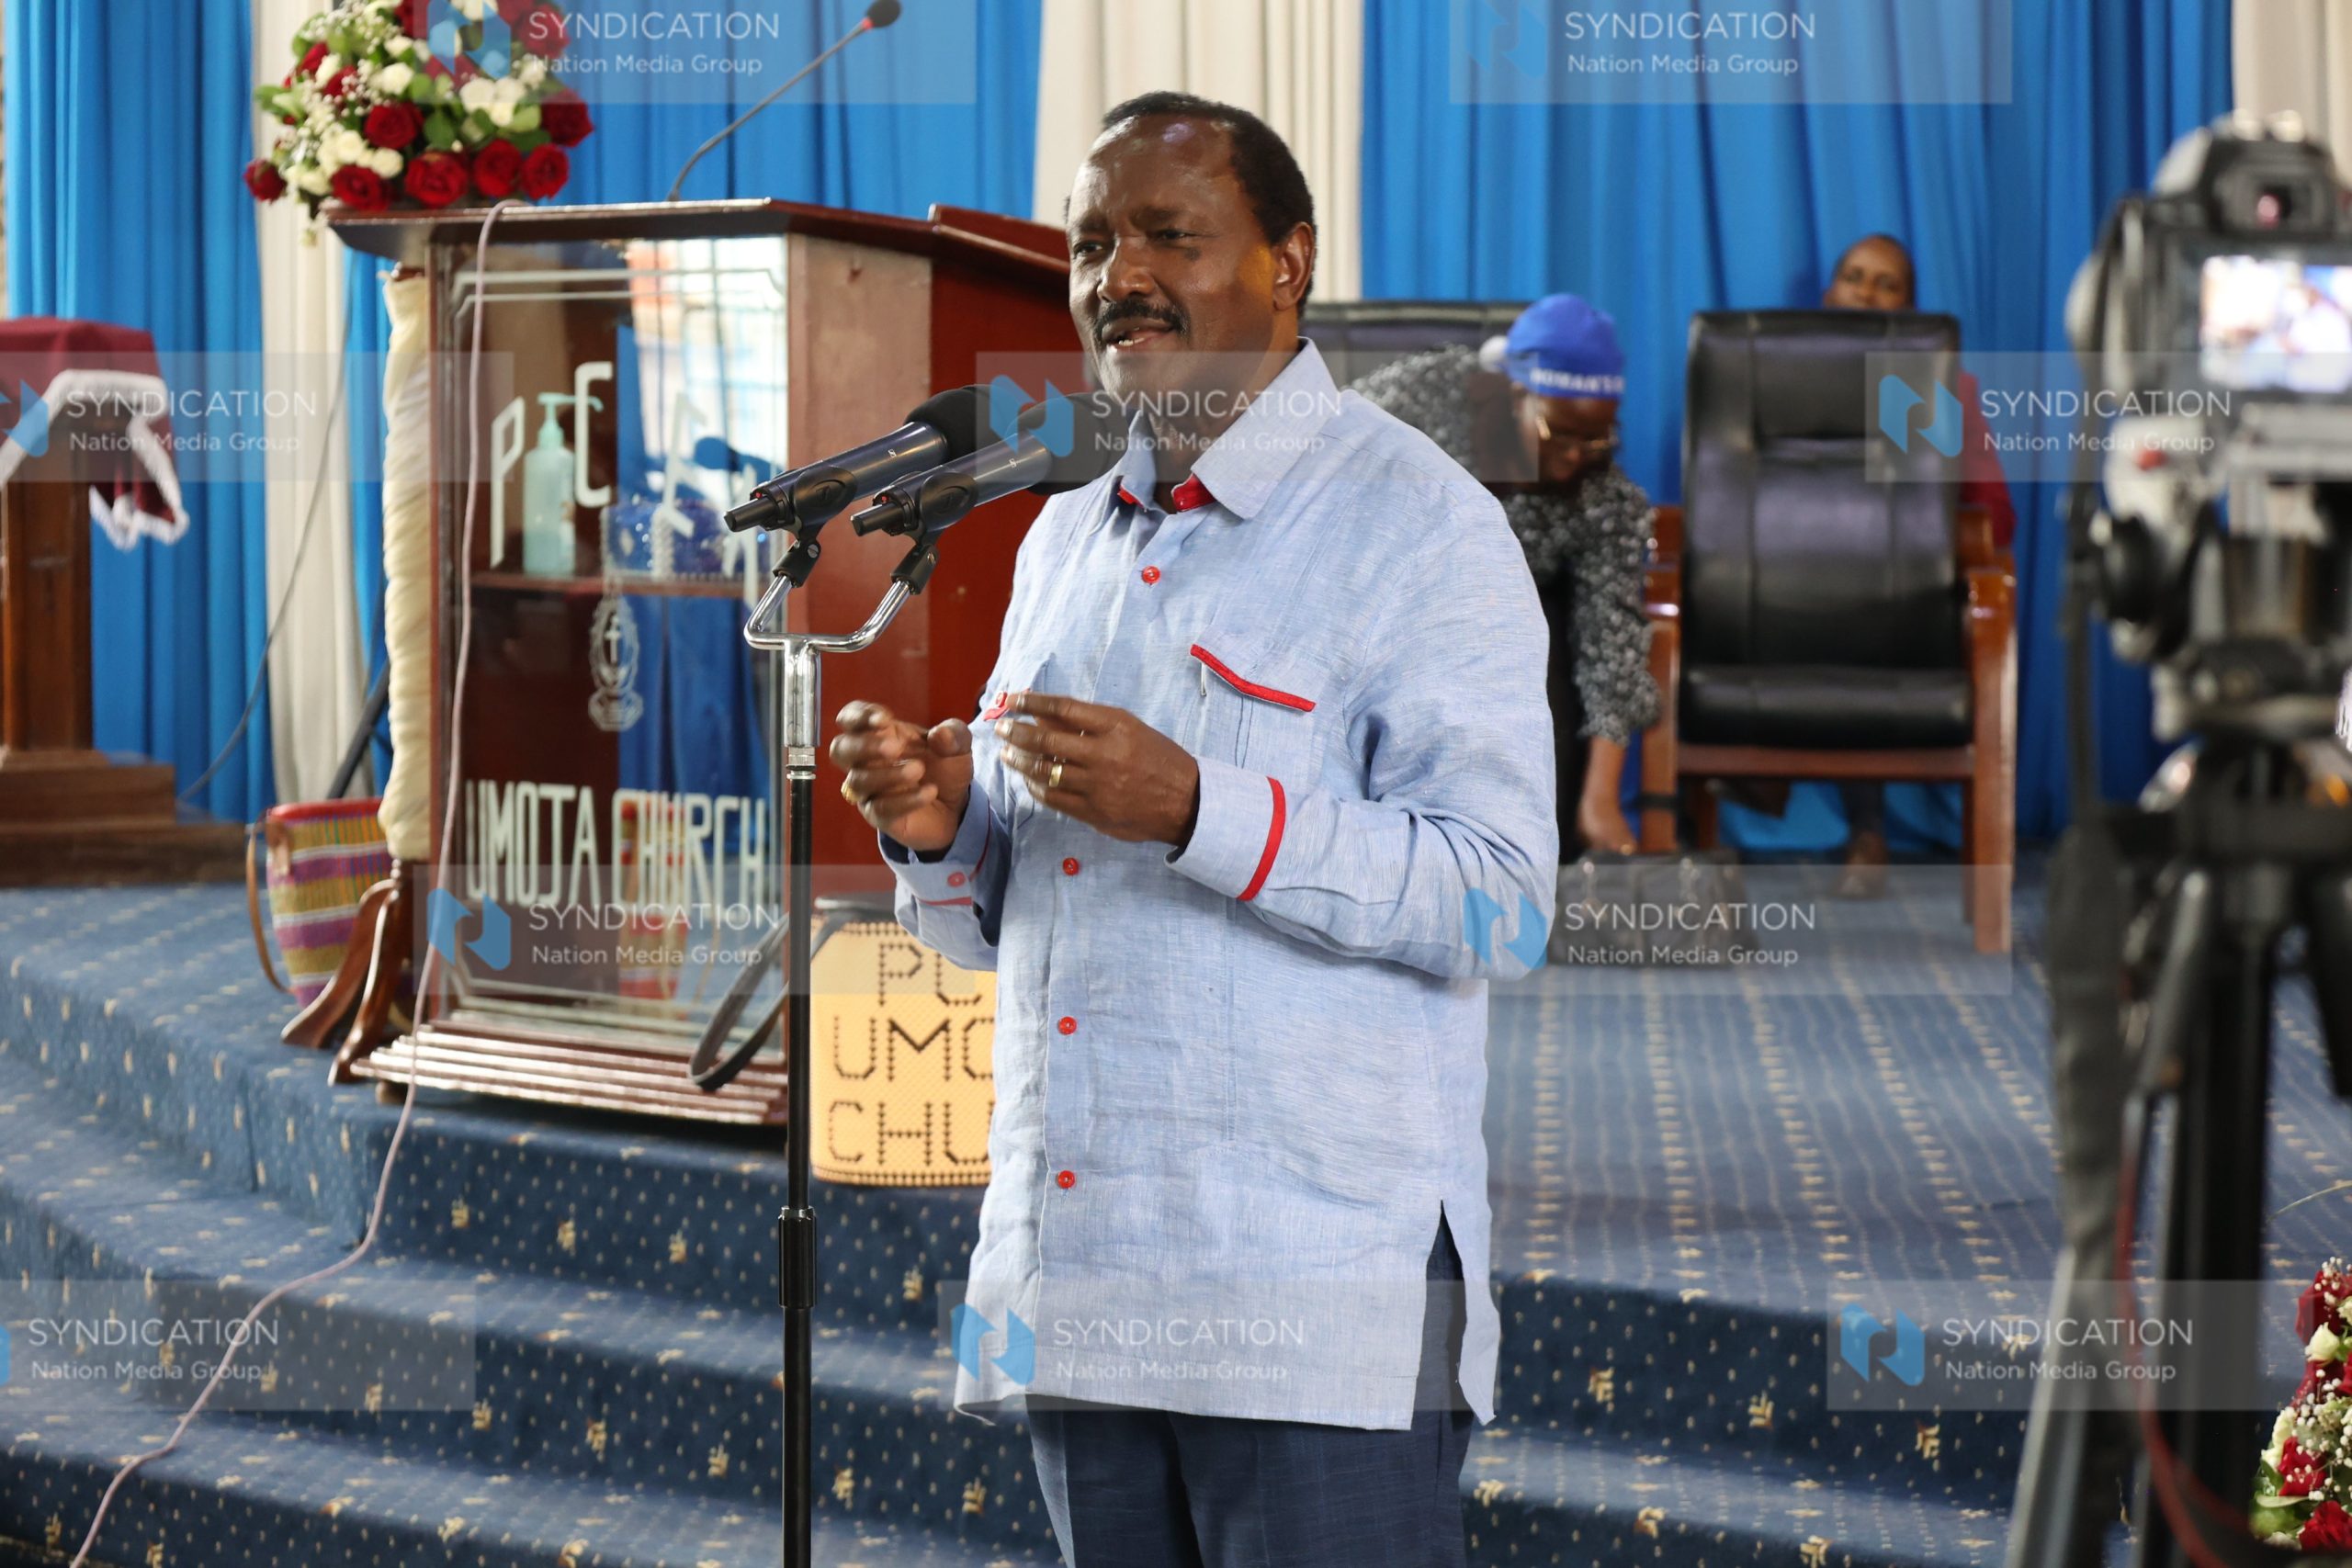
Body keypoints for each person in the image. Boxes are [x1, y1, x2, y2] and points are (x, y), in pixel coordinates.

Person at [830, 90, 1555, 1568]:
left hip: (1307, 1299)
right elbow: (1001, 928)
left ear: (1289, 260)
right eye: (1093, 241)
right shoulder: (1060, 535)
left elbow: (1502, 898)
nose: (1116, 275)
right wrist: (945, 829)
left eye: (1171, 232)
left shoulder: (1423, 526)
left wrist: (1204, 808)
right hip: (1083, 1275)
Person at [1352, 294, 1659, 857]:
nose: (1573, 457)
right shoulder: (1427, 398)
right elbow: (1329, 458)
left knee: (1543, 815)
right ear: (1515, 394)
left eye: (1595, 439)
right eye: (1558, 434)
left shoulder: (1603, 496)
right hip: (1389, 591)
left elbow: (1610, 643)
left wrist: (1601, 799)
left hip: (1512, 611)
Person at [1820, 233, 2015, 897]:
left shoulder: (1942, 391)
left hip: (1902, 595)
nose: (1867, 292)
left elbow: (1996, 517)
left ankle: (1868, 834)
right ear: (1828, 293)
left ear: (1911, 305)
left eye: (1887, 282)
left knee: (1857, 607)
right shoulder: (1769, 377)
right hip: (1787, 593)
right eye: (1854, 277)